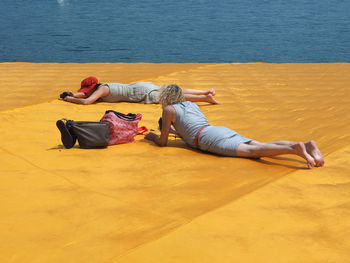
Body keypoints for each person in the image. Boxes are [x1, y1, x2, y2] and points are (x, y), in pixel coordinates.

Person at [145, 84, 324, 169]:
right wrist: (176, 132)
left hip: (207, 139)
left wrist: (154, 137)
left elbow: (163, 143)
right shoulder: (191, 105)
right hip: (216, 130)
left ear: (166, 98)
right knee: (258, 145)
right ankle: (307, 146)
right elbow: (189, 128)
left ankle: (294, 149)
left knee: (253, 153)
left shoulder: (168, 109)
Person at [60, 76, 220, 105]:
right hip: (140, 86)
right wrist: (74, 94)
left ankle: (206, 99)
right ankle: (205, 92)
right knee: (173, 90)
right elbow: (86, 95)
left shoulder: (102, 91)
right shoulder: (101, 87)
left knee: (175, 98)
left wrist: (70, 99)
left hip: (140, 93)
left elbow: (87, 101)